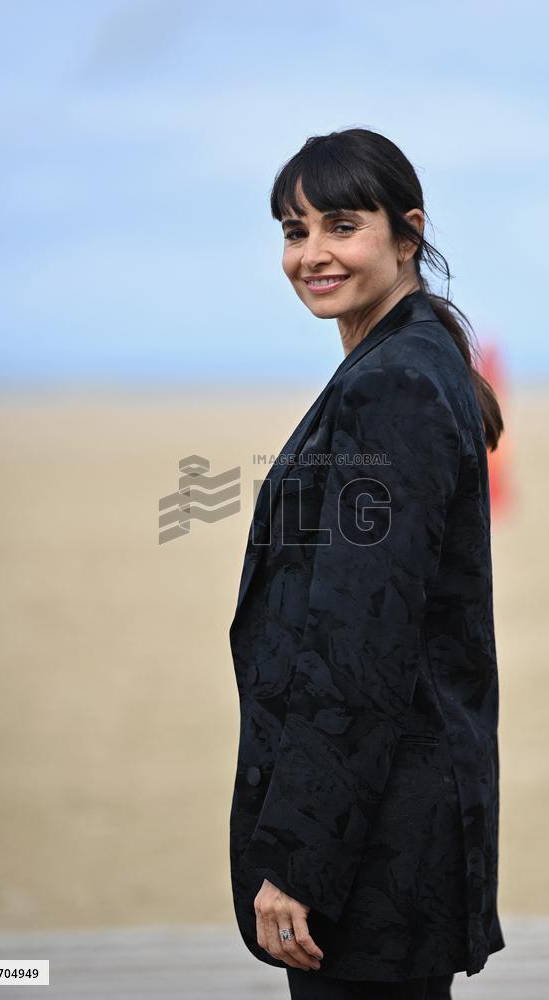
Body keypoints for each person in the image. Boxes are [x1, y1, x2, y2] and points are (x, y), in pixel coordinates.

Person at [228, 127, 506, 999]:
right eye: (292, 230)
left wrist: (301, 860)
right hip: (389, 823)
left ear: (407, 233)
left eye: (340, 226)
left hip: (376, 842)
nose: (311, 254)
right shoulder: (408, 360)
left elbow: (361, 640)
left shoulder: (397, 384)